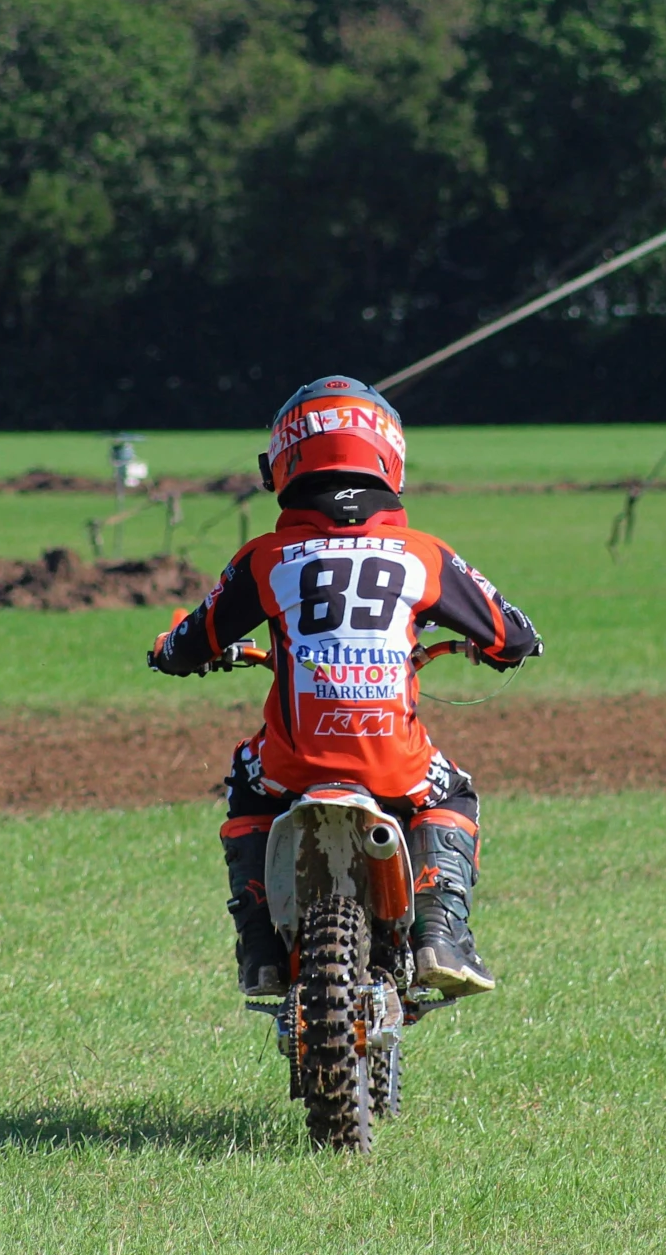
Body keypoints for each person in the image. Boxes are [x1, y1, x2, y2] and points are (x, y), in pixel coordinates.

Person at [149, 375, 541, 1001]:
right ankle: (439, 931)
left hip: (293, 764)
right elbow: (513, 633)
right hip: (393, 761)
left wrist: (171, 653)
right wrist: (499, 647)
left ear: (284, 460)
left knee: (246, 782)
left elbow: (192, 640)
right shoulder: (423, 554)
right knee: (453, 793)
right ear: (388, 456)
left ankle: (258, 945)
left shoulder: (265, 558)